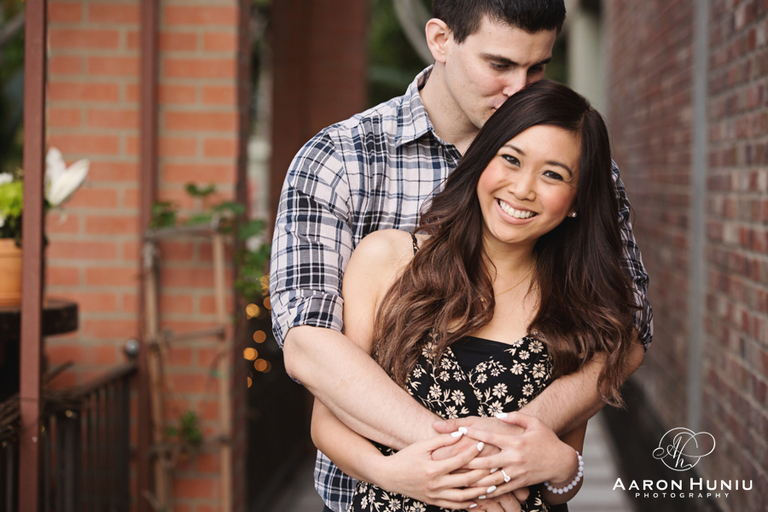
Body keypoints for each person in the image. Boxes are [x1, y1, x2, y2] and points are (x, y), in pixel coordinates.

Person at [269, 1, 652, 511]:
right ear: (441, 40)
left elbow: (626, 329)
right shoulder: (341, 158)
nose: (521, 88)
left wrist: (531, 436)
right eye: (499, 65)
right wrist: (466, 458)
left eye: (537, 67)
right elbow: (308, 341)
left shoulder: (581, 167)